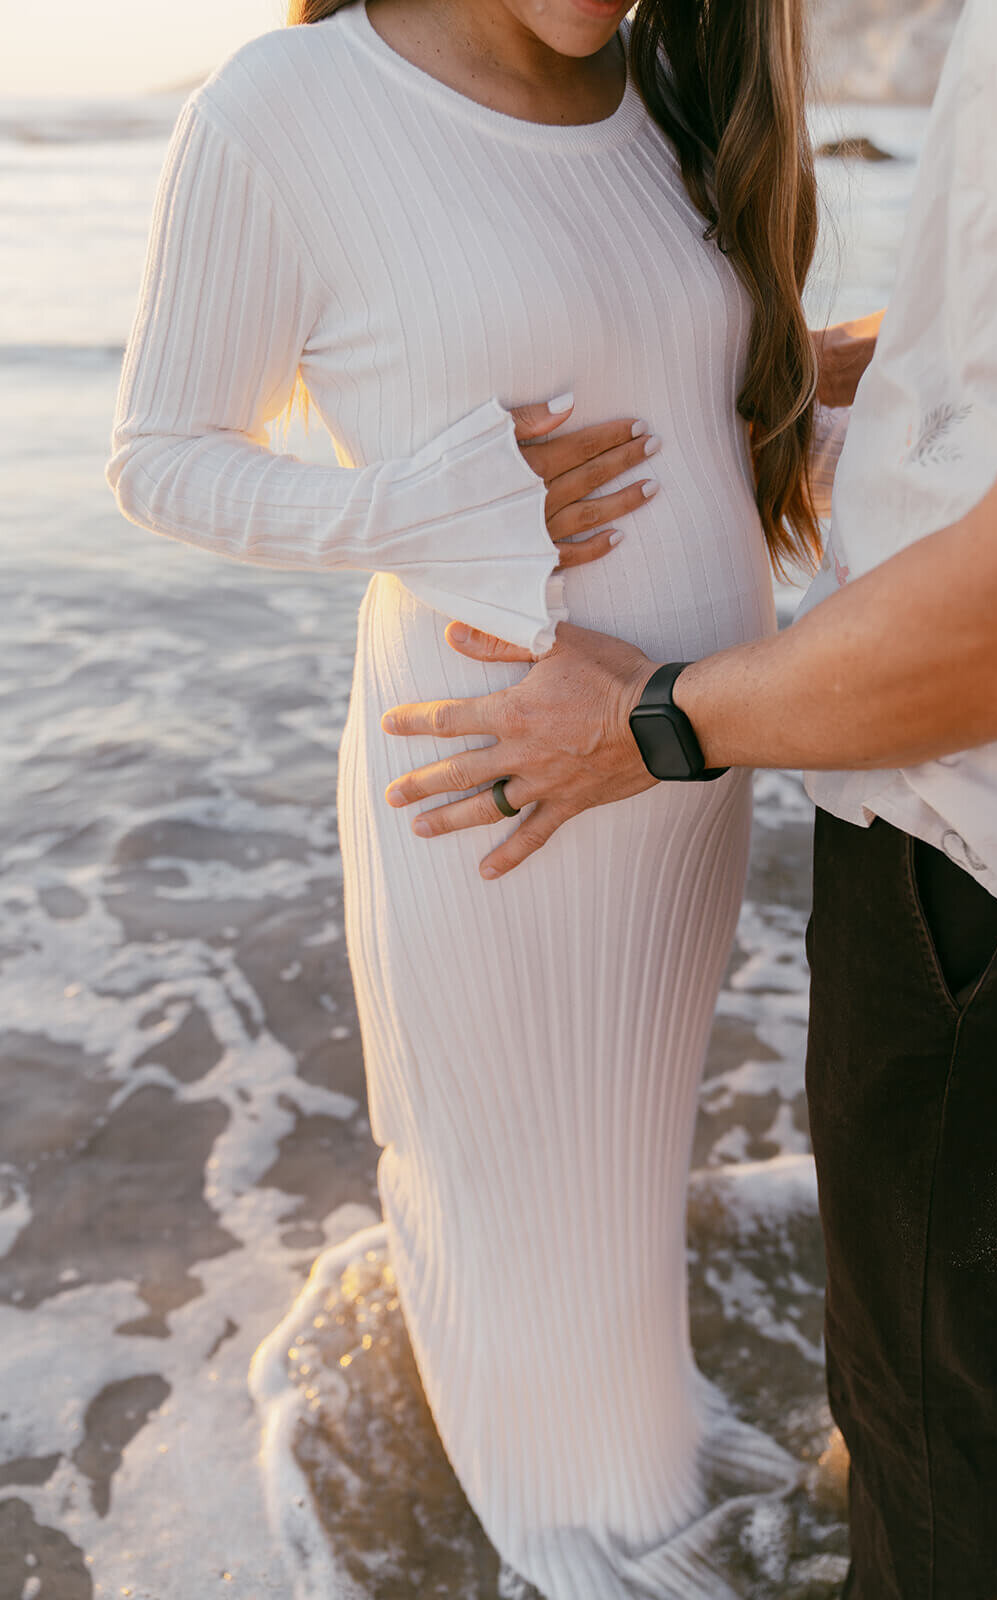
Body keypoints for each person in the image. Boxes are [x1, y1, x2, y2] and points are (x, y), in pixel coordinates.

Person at [104, 0, 855, 1591]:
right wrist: (415, 502)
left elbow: (675, 403)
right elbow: (161, 454)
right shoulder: (287, 106)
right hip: (496, 789)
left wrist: (848, 384)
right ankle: (584, 1542)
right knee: (516, 1205)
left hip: (678, 770)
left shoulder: (672, 86)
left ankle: (629, 1470)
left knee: (619, 1197)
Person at [382, 1, 997, 1595]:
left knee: (928, 1406)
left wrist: (653, 729)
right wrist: (748, 386)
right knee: (960, 1324)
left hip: (989, 836)